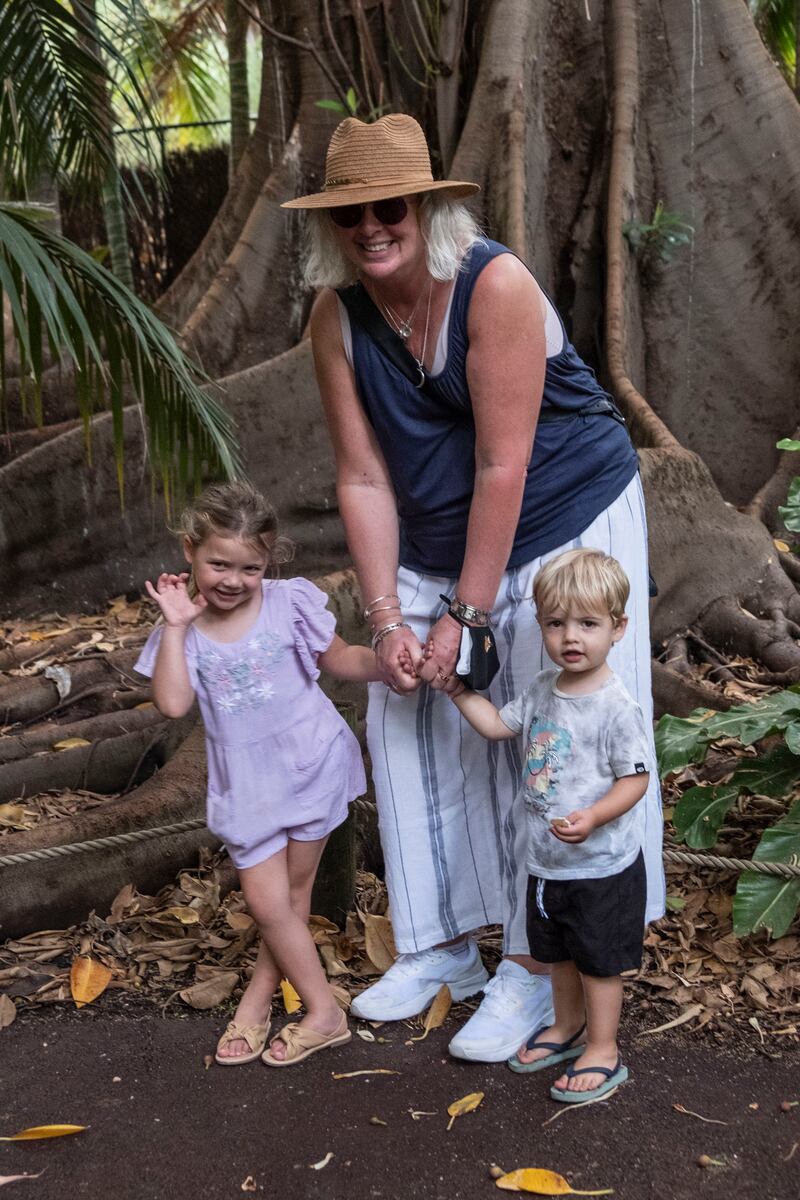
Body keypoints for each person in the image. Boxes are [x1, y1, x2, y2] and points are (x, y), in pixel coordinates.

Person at [282, 113, 665, 1062]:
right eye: (351, 215)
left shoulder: (494, 284)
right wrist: (389, 619)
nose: (372, 227)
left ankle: (540, 971)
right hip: (434, 531)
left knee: (553, 732)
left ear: (425, 208)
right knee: (406, 710)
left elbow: (506, 461)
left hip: (563, 516)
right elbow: (362, 476)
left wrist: (466, 612)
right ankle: (438, 945)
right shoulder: (336, 317)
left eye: (390, 207)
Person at [134, 481, 380, 1068]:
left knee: (289, 898)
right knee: (270, 904)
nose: (233, 579)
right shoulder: (184, 629)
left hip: (312, 763)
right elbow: (171, 704)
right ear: (190, 550)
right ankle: (318, 1009)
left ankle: (272, 1003)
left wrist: (389, 664)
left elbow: (338, 658)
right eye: (219, 562)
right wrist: (174, 624)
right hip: (246, 786)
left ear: (268, 563)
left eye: (250, 567)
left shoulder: (286, 602)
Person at [448, 548, 649, 1102]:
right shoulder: (541, 688)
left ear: (618, 628)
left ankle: (603, 1048)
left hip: (600, 866)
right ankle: (566, 1027)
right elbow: (496, 726)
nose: (571, 637)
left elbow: (635, 781)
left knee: (598, 964)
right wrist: (461, 693)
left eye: (588, 623)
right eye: (557, 623)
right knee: (557, 955)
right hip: (546, 862)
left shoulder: (615, 706)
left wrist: (595, 816)